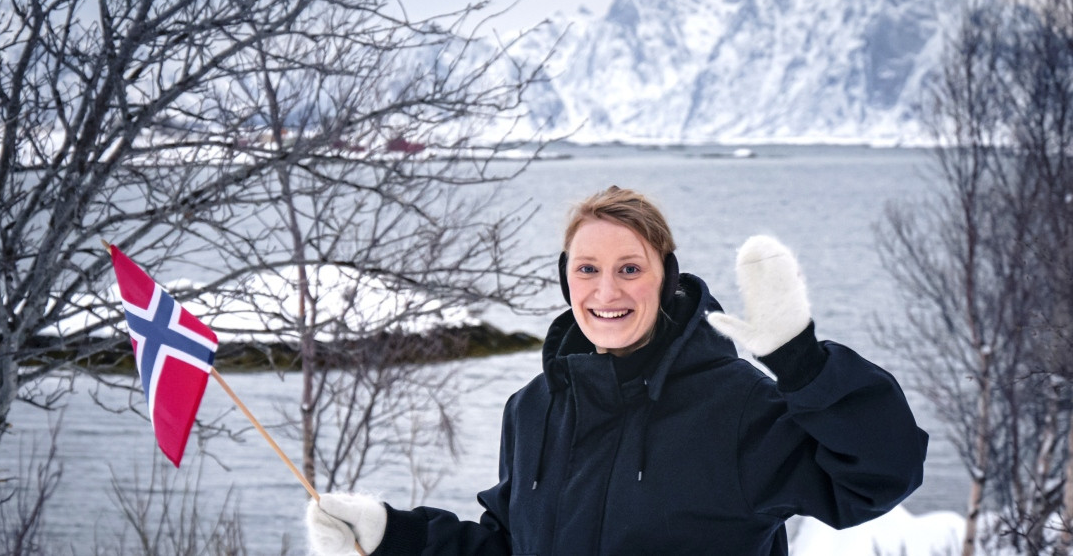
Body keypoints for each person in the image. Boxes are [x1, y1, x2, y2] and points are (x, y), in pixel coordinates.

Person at [305, 186, 928, 555]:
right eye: (587, 268)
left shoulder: (735, 406)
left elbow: (879, 476)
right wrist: (391, 536)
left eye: (630, 268)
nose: (607, 289)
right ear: (565, 277)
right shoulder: (534, 407)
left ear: (666, 277)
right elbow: (508, 546)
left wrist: (800, 361)